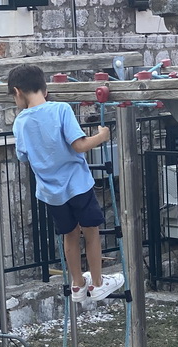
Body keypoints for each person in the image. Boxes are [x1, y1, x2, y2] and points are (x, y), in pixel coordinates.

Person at [8, 63, 124, 303]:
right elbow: (79, 145)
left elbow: (23, 156)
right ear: (45, 89)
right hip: (77, 184)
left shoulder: (20, 122)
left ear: (18, 91)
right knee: (91, 232)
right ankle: (98, 284)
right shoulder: (60, 109)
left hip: (51, 192)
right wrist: (101, 136)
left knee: (69, 236)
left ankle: (77, 285)